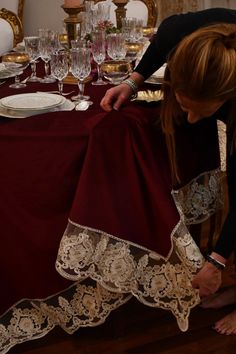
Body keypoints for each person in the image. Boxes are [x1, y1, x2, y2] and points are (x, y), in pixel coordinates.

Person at [100, 9, 236, 335]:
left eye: (196, 110)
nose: (188, 119)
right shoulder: (179, 32)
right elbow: (161, 42)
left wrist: (216, 262)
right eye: (183, 103)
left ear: (225, 98)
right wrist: (133, 83)